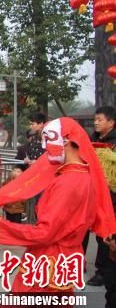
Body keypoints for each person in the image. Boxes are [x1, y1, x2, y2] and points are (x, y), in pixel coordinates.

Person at [0, 117, 116, 294]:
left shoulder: (70, 181)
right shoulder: (80, 176)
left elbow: (45, 232)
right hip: (64, 257)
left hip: (50, 259)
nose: (44, 147)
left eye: (48, 139)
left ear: (66, 140)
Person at [84, 105, 116, 287]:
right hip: (89, 191)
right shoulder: (92, 139)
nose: (96, 123)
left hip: (110, 194)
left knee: (104, 232)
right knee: (82, 228)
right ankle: (76, 262)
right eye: (95, 120)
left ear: (111, 122)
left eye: (99, 120)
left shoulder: (114, 142)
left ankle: (103, 271)